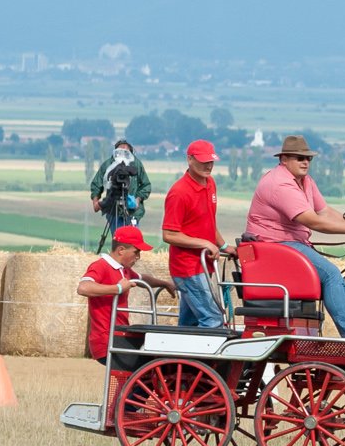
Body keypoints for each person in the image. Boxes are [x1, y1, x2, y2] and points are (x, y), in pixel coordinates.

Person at [246, 134, 345, 338]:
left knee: (336, 281)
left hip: (292, 244)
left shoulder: (305, 181)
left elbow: (324, 212)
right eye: (300, 158)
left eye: (308, 158)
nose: (306, 162)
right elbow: (312, 221)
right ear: (283, 159)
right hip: (274, 246)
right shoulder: (280, 184)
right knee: (330, 274)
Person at [161, 139, 231, 329]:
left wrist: (224, 246)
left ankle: (178, 356)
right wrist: (205, 244)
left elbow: (208, 222)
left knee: (189, 322)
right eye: (203, 161)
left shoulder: (210, 183)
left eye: (211, 161)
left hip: (203, 265)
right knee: (213, 319)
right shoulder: (179, 193)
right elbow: (169, 234)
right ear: (189, 160)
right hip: (188, 268)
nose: (208, 166)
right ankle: (209, 359)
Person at [75, 225, 165, 371]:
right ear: (121, 250)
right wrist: (117, 288)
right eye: (136, 252)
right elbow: (83, 287)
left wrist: (165, 284)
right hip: (106, 339)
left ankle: (124, 394)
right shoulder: (101, 266)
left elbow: (143, 279)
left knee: (146, 369)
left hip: (120, 336)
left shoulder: (124, 269)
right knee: (144, 370)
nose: (138, 257)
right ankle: (127, 394)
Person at [89, 139, 152, 246]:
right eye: (120, 149)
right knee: (118, 241)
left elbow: (146, 185)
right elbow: (96, 184)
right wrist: (96, 201)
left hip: (132, 211)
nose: (122, 151)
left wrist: (137, 199)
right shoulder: (108, 164)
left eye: (126, 150)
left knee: (132, 242)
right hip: (113, 209)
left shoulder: (136, 164)